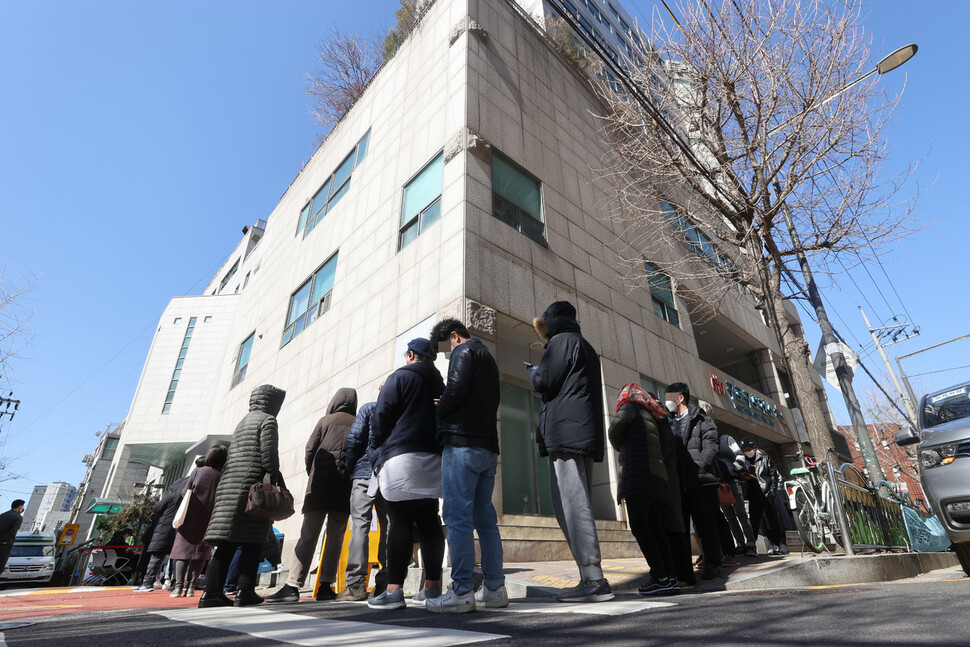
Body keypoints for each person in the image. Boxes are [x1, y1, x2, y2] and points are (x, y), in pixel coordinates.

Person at [530, 301, 613, 603]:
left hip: (566, 434)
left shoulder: (560, 342)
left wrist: (535, 371)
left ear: (551, 322)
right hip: (582, 432)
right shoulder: (584, 345)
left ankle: (593, 578)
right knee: (579, 503)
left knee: (571, 506)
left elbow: (544, 381)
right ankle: (590, 577)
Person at [425, 318, 506, 613]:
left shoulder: (463, 351)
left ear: (454, 337)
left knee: (457, 516)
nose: (447, 354)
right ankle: (495, 587)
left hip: (461, 445)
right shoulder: (489, 359)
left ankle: (460, 590)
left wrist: (441, 404)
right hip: (487, 447)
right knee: (485, 518)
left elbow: (456, 390)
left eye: (445, 349)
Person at [366, 338, 446, 610]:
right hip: (432, 456)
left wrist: (378, 445)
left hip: (400, 455)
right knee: (429, 520)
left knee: (398, 521)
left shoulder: (399, 377)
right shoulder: (438, 382)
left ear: (410, 355)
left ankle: (393, 590)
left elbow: (381, 415)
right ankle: (432, 587)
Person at [266, 388, 358, 603]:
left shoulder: (325, 421)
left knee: (308, 535)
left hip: (319, 486)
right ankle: (326, 585)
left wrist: (311, 473)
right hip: (344, 486)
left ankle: (292, 586)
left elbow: (310, 449)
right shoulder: (357, 421)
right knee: (335, 537)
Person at [199, 384, 286, 608]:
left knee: (226, 543)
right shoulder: (267, 420)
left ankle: (211, 593)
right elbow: (268, 456)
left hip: (230, 485)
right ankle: (244, 591)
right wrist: (275, 477)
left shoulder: (244, 421)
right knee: (252, 541)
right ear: (272, 402)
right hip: (250, 487)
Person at [608, 384, 682, 596]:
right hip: (657, 479)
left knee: (641, 528)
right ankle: (669, 578)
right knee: (656, 529)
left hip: (638, 476)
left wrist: (624, 445)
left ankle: (659, 577)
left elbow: (613, 432)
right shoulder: (653, 413)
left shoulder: (630, 407)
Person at [664, 382, 722, 580]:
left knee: (705, 525)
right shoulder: (668, 422)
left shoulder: (702, 419)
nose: (666, 402)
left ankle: (713, 562)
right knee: (679, 527)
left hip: (701, 480)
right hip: (678, 483)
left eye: (669, 397)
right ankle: (682, 570)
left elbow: (712, 445)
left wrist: (700, 467)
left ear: (680, 398)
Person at [336, 388, 389, 602]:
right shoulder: (399, 411)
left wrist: (351, 467)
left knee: (360, 526)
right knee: (389, 526)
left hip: (364, 474)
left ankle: (356, 584)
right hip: (389, 474)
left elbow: (355, 439)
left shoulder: (369, 408)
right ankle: (386, 579)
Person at [169, 445, 227, 597]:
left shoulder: (198, 471)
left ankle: (178, 587)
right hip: (209, 518)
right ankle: (191, 587)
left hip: (190, 515)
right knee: (201, 553)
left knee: (182, 552)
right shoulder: (223, 476)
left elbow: (184, 492)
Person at [134, 474, 189, 592]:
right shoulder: (187, 498)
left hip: (164, 529)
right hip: (179, 530)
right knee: (175, 558)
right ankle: (175, 584)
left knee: (156, 557)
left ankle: (147, 583)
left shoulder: (171, 496)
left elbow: (157, 508)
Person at [739, 438, 789, 555]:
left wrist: (772, 491)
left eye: (748, 449)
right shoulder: (744, 461)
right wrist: (744, 478)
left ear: (754, 447)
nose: (747, 451)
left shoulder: (765, 459)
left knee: (773, 520)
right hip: (753, 494)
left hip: (767, 493)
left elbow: (773, 476)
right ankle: (752, 546)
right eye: (744, 450)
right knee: (754, 521)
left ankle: (777, 545)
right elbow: (740, 476)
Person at [717, 433, 758, 557]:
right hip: (719, 484)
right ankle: (740, 543)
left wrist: (734, 469)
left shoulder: (726, 439)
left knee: (741, 513)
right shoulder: (706, 442)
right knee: (729, 517)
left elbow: (739, 454)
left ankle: (751, 543)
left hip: (733, 481)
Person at [0, 500, 25, 575]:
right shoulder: (18, 517)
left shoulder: (3, 515)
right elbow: (12, 532)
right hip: (5, 544)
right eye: (23, 506)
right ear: (19, 507)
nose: (23, 508)